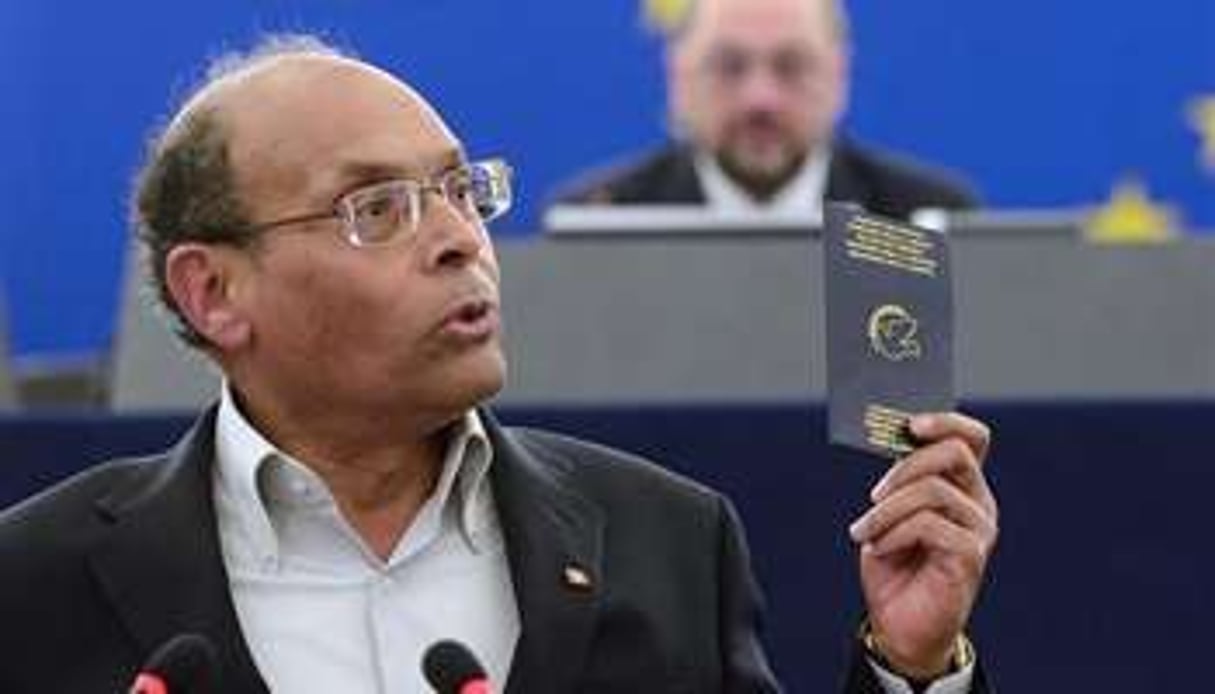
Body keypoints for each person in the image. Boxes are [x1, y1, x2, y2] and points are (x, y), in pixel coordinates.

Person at [0, 36, 997, 693]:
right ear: (213, 292)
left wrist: (912, 668)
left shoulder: (668, 541)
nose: (459, 242)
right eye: (377, 209)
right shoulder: (38, 581)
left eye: (461, 192)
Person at [550, 0, 977, 222]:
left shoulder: (925, 220)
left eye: (791, 67)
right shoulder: (600, 221)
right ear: (678, 77)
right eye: (729, 67)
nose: (760, 99)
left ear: (839, 73)